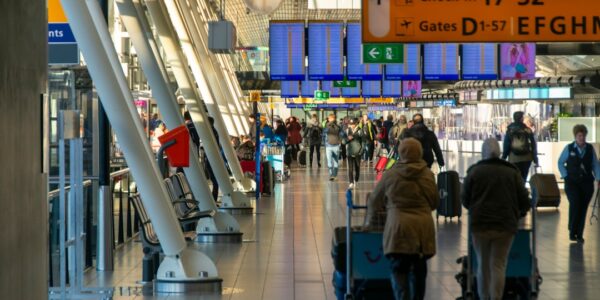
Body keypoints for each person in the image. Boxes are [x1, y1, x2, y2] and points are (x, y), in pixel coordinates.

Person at [365, 138, 438, 300]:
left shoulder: (391, 174)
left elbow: (374, 201)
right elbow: (434, 202)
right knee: (419, 271)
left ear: (401, 152)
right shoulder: (427, 175)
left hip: (398, 227)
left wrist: (369, 223)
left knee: (399, 269)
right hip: (422, 230)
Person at [462, 138, 530, 300]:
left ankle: (484, 297)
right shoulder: (512, 172)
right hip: (505, 226)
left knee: (483, 265)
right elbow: (524, 201)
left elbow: (465, 199)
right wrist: (517, 214)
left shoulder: (474, 172)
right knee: (498, 265)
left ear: (482, 153)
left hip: (480, 226)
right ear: (499, 152)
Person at [558, 125, 600, 242]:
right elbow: (560, 162)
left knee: (583, 207)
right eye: (579, 136)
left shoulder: (590, 149)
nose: (581, 138)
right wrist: (565, 176)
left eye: (583, 135)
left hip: (586, 183)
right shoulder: (569, 148)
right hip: (572, 182)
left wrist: (598, 178)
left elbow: (595, 165)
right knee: (575, 203)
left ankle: (579, 234)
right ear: (575, 136)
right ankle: (572, 230)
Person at [501, 111, 538, 182]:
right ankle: (522, 190)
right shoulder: (527, 130)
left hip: (513, 158)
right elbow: (533, 144)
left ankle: (516, 191)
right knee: (523, 178)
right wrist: (535, 158)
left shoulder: (510, 130)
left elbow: (506, 145)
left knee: (514, 179)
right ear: (521, 119)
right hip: (526, 158)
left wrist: (503, 157)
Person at [323, 114, 345, 181]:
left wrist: (325, 143)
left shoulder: (326, 126)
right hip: (335, 145)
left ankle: (332, 175)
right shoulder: (338, 126)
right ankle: (334, 175)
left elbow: (324, 135)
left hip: (329, 146)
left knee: (330, 161)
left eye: (330, 118)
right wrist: (340, 141)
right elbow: (342, 134)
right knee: (335, 161)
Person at [344, 118, 363, 188]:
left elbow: (363, 141)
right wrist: (348, 139)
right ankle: (351, 182)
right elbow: (343, 141)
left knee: (357, 167)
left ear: (356, 124)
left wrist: (361, 150)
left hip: (358, 152)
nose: (352, 125)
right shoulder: (347, 130)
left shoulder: (360, 131)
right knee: (350, 168)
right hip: (349, 151)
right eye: (351, 124)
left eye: (353, 124)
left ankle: (356, 179)